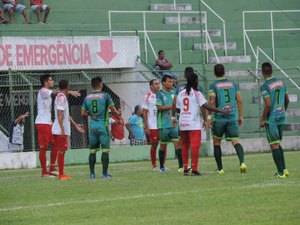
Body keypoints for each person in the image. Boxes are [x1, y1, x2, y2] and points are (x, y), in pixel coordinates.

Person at [176, 73, 229, 176]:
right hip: (193, 123)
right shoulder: (197, 93)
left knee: (185, 145)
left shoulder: (181, 93)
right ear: (195, 81)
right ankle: (194, 170)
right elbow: (207, 106)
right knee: (195, 146)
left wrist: (185, 111)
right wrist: (221, 111)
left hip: (182, 123)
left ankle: (185, 169)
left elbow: (177, 108)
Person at [35, 74, 80, 177]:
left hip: (49, 122)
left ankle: (52, 167)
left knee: (56, 144)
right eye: (51, 80)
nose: (52, 82)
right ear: (46, 82)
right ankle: (44, 171)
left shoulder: (50, 93)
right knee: (43, 147)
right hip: (42, 122)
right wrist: (68, 91)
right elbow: (56, 93)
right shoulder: (43, 91)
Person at [208, 64, 247, 174]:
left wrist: (209, 118)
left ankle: (220, 169)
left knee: (217, 142)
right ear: (224, 72)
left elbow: (212, 102)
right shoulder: (233, 84)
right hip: (232, 117)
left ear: (215, 73)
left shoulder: (214, 85)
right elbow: (239, 100)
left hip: (219, 118)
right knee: (235, 141)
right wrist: (240, 116)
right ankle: (242, 162)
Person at [81, 76, 122, 179]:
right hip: (103, 126)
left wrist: (92, 114)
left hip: (92, 127)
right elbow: (113, 110)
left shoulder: (87, 97)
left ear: (92, 86)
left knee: (92, 151)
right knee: (105, 150)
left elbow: (83, 113)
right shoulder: (105, 95)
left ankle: (92, 173)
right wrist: (119, 119)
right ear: (101, 84)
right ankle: (104, 173)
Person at [260, 62, 289, 179]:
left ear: (262, 72)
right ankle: (285, 170)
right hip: (281, 116)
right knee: (277, 143)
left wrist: (262, 119)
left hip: (271, 119)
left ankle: (280, 173)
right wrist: (283, 110)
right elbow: (287, 99)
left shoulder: (264, 86)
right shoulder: (281, 82)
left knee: (274, 145)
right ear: (272, 71)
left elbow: (268, 104)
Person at [52, 80, 84, 180]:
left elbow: (66, 115)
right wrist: (62, 129)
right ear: (67, 86)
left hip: (60, 129)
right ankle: (61, 174)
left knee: (62, 151)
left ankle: (62, 173)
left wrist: (75, 125)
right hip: (60, 129)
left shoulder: (61, 96)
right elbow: (59, 113)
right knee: (61, 151)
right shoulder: (61, 97)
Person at [156, 74, 183, 172]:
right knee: (163, 145)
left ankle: (181, 166)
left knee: (177, 144)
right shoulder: (160, 94)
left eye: (172, 81)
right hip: (163, 124)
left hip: (174, 124)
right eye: (169, 81)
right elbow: (159, 107)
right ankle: (161, 167)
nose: (171, 83)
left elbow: (178, 106)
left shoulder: (174, 92)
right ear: (163, 83)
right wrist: (172, 107)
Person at [142, 79, 161, 169]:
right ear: (151, 86)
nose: (158, 85)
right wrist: (147, 127)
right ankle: (154, 165)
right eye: (156, 84)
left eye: (158, 84)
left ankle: (162, 165)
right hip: (152, 124)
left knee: (163, 144)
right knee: (154, 144)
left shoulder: (161, 95)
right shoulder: (148, 96)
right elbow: (145, 112)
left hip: (161, 123)